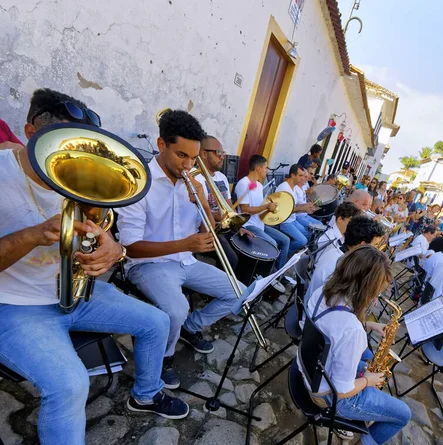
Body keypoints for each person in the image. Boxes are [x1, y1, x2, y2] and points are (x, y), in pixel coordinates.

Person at [0, 88, 189, 444]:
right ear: (30, 133)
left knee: (157, 321)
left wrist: (113, 250)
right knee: (70, 385)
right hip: (14, 306)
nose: (75, 157)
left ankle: (146, 394)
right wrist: (31, 236)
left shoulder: (83, 178)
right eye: (65, 145)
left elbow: (108, 237)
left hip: (76, 292)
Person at [117, 110, 246, 389]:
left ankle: (191, 327)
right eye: (181, 156)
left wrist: (202, 199)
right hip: (148, 265)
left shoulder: (194, 183)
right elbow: (130, 248)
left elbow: (208, 231)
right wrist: (184, 244)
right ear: (161, 145)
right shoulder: (139, 183)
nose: (188, 165)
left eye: (193, 157)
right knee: (176, 309)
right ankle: (165, 357)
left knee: (238, 292)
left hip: (185, 261)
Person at [303, 245, 411, 445]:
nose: (376, 300)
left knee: (367, 365)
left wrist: (368, 324)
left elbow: (335, 328)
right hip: (329, 395)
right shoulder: (352, 330)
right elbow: (342, 391)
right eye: (375, 293)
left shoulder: (323, 291)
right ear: (364, 288)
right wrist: (367, 381)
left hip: (309, 371)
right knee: (404, 414)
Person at [195, 134, 255, 270]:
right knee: (232, 260)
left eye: (223, 153)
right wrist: (218, 216)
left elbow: (228, 207)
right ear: (204, 153)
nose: (223, 156)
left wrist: (239, 226)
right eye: (219, 152)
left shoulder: (222, 177)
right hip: (205, 230)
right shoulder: (195, 178)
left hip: (222, 226)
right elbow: (199, 215)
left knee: (248, 247)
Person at [306, 215, 386, 301]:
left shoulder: (334, 252)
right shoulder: (342, 266)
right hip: (316, 310)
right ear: (363, 245)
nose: (377, 250)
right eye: (375, 246)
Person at [234, 154, 291, 270]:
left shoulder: (259, 185)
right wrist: (266, 207)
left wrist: (271, 210)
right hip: (248, 225)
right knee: (272, 244)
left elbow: (260, 209)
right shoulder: (243, 183)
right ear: (258, 168)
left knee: (285, 240)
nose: (267, 171)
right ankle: (268, 274)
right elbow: (245, 210)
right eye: (266, 168)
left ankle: (277, 273)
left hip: (260, 225)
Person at [275, 164, 317, 254]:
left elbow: (295, 206)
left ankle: (287, 252)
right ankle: (281, 253)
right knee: (302, 241)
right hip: (284, 222)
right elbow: (284, 211)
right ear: (293, 175)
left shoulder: (293, 187)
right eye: (300, 176)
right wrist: (302, 208)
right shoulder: (284, 188)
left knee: (309, 234)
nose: (303, 178)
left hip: (292, 220)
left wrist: (306, 208)